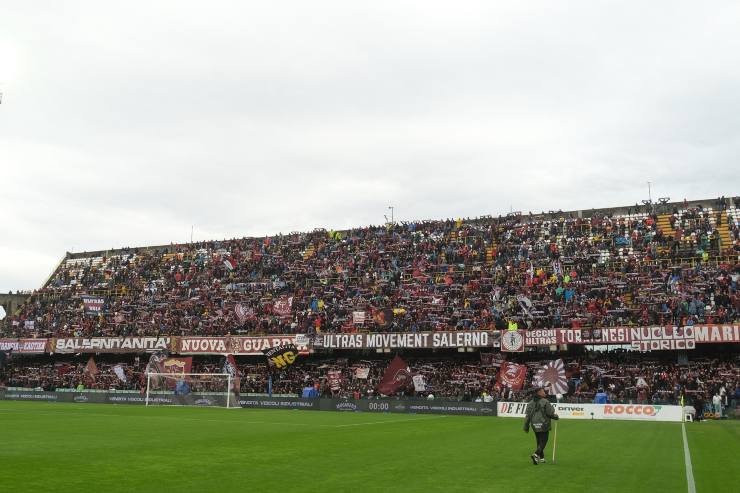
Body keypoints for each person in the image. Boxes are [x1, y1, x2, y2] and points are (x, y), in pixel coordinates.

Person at [523, 386, 559, 465]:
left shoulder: (530, 403)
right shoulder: (545, 402)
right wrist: (556, 417)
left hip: (534, 424)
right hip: (543, 424)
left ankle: (541, 458)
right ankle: (536, 454)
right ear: (539, 393)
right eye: (543, 391)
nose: (544, 392)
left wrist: (526, 426)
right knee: (544, 441)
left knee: (539, 441)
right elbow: (550, 413)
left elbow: (527, 416)